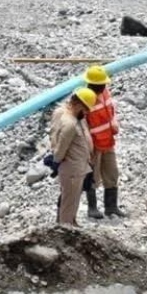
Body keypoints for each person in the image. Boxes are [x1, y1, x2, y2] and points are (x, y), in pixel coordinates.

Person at [82, 66, 126, 219]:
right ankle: (92, 208)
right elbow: (82, 125)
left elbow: (111, 110)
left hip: (108, 141)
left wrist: (114, 121)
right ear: (92, 84)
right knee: (93, 177)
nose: (104, 86)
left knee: (112, 173)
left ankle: (111, 207)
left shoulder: (105, 93)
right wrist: (87, 147)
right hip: (94, 145)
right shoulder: (85, 99)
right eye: (101, 84)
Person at [49, 88, 97, 227]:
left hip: (79, 167)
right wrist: (56, 161)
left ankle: (71, 224)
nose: (87, 112)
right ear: (79, 105)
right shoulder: (69, 122)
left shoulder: (76, 118)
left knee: (73, 200)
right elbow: (61, 146)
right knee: (69, 201)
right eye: (86, 109)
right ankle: (65, 229)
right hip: (72, 169)